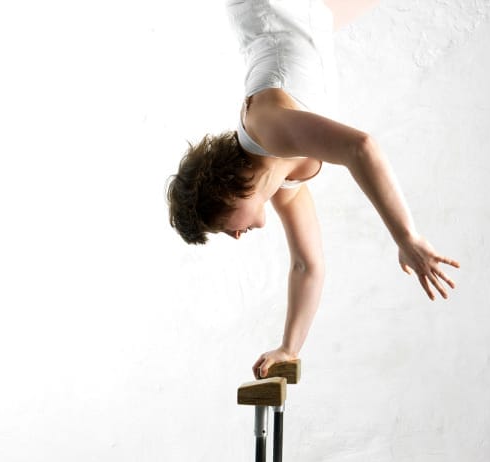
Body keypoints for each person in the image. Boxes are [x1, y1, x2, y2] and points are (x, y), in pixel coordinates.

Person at [166, 0, 461, 380]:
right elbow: (307, 265)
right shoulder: (285, 186)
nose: (236, 235)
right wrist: (289, 347)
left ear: (225, 194)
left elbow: (361, 148)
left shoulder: (264, 129)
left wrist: (406, 237)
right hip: (306, 17)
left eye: (224, 227)